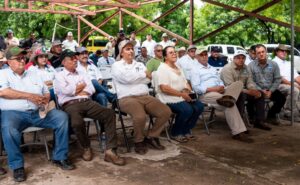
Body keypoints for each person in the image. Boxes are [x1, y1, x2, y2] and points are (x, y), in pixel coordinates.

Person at [0, 47, 74, 182]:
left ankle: (60, 157)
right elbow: (4, 92)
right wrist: (30, 96)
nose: (22, 60)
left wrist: (45, 99)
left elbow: (46, 92)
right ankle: (17, 167)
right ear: (8, 62)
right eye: (18, 58)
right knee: (8, 128)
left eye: (23, 58)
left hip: (37, 112)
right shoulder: (3, 74)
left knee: (61, 117)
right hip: (14, 114)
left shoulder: (34, 74)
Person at [54, 49, 126, 165]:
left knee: (109, 113)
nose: (75, 60)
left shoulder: (82, 73)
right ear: (63, 62)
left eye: (75, 58)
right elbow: (66, 91)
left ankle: (110, 151)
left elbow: (91, 89)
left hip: (87, 102)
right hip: (70, 105)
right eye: (71, 59)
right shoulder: (59, 76)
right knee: (76, 122)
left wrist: (76, 90)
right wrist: (80, 87)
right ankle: (86, 147)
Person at [112, 40, 172, 155]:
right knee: (140, 116)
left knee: (165, 111)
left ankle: (152, 136)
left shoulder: (139, 64)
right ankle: (138, 141)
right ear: (121, 53)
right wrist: (142, 75)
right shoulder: (116, 65)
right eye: (127, 49)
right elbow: (126, 78)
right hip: (126, 98)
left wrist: (140, 77)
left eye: (132, 49)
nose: (131, 51)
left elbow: (148, 79)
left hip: (144, 96)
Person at [190, 48, 253, 142]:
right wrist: (214, 89)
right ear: (196, 57)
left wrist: (221, 87)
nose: (204, 56)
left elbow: (220, 81)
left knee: (238, 84)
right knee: (229, 104)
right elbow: (196, 88)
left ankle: (227, 98)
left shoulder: (211, 67)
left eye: (205, 54)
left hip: (220, 92)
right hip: (206, 94)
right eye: (201, 55)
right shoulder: (194, 70)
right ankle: (239, 132)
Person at [156, 46, 204, 142]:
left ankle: (186, 129)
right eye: (171, 52)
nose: (174, 54)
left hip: (182, 95)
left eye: (174, 52)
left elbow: (185, 82)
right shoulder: (162, 68)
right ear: (165, 56)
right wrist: (182, 95)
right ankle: (176, 132)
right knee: (187, 109)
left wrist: (189, 91)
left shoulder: (178, 67)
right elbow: (164, 88)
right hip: (168, 96)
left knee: (199, 106)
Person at [220, 50, 271, 131]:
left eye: (243, 58)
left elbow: (250, 81)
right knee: (241, 95)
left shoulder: (246, 68)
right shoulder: (227, 69)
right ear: (234, 58)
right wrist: (248, 91)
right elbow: (230, 86)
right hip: (230, 93)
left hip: (244, 91)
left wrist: (253, 90)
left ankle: (259, 121)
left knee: (260, 93)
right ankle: (238, 124)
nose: (241, 60)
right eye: (238, 58)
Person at [248, 44, 286, 125]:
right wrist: (261, 90)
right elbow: (250, 81)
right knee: (251, 96)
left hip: (270, 89)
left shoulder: (274, 64)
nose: (261, 54)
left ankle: (271, 116)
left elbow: (277, 79)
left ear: (266, 52)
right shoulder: (251, 65)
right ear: (256, 54)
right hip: (257, 89)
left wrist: (271, 91)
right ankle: (252, 117)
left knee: (281, 98)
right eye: (258, 53)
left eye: (263, 52)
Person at [273, 44, 300, 120]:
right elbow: (279, 78)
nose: (284, 52)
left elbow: (296, 76)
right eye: (282, 51)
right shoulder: (274, 62)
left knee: (296, 88)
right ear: (277, 52)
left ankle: (296, 110)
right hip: (279, 84)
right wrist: (293, 85)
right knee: (294, 90)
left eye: (286, 51)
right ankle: (288, 113)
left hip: (290, 83)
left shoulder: (288, 63)